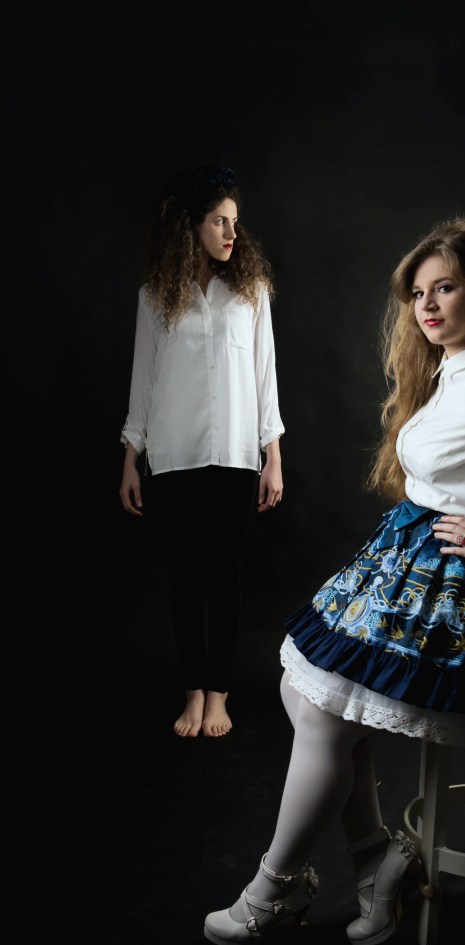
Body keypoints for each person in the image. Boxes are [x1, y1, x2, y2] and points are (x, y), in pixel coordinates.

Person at [203, 217, 465, 945]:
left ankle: (276, 886)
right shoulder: (457, 367)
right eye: (418, 293)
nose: (426, 306)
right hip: (417, 561)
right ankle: (373, 862)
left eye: (445, 288)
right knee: (306, 693)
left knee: (322, 708)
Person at [119, 163, 284, 738]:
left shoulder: (252, 293)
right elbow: (144, 381)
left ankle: (219, 695)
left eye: (235, 222)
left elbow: (265, 377)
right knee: (185, 578)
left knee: (225, 576)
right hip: (173, 456)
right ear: (192, 226)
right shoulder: (155, 298)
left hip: (236, 454)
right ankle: (192, 692)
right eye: (219, 221)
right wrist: (130, 459)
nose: (232, 233)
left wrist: (273, 456)